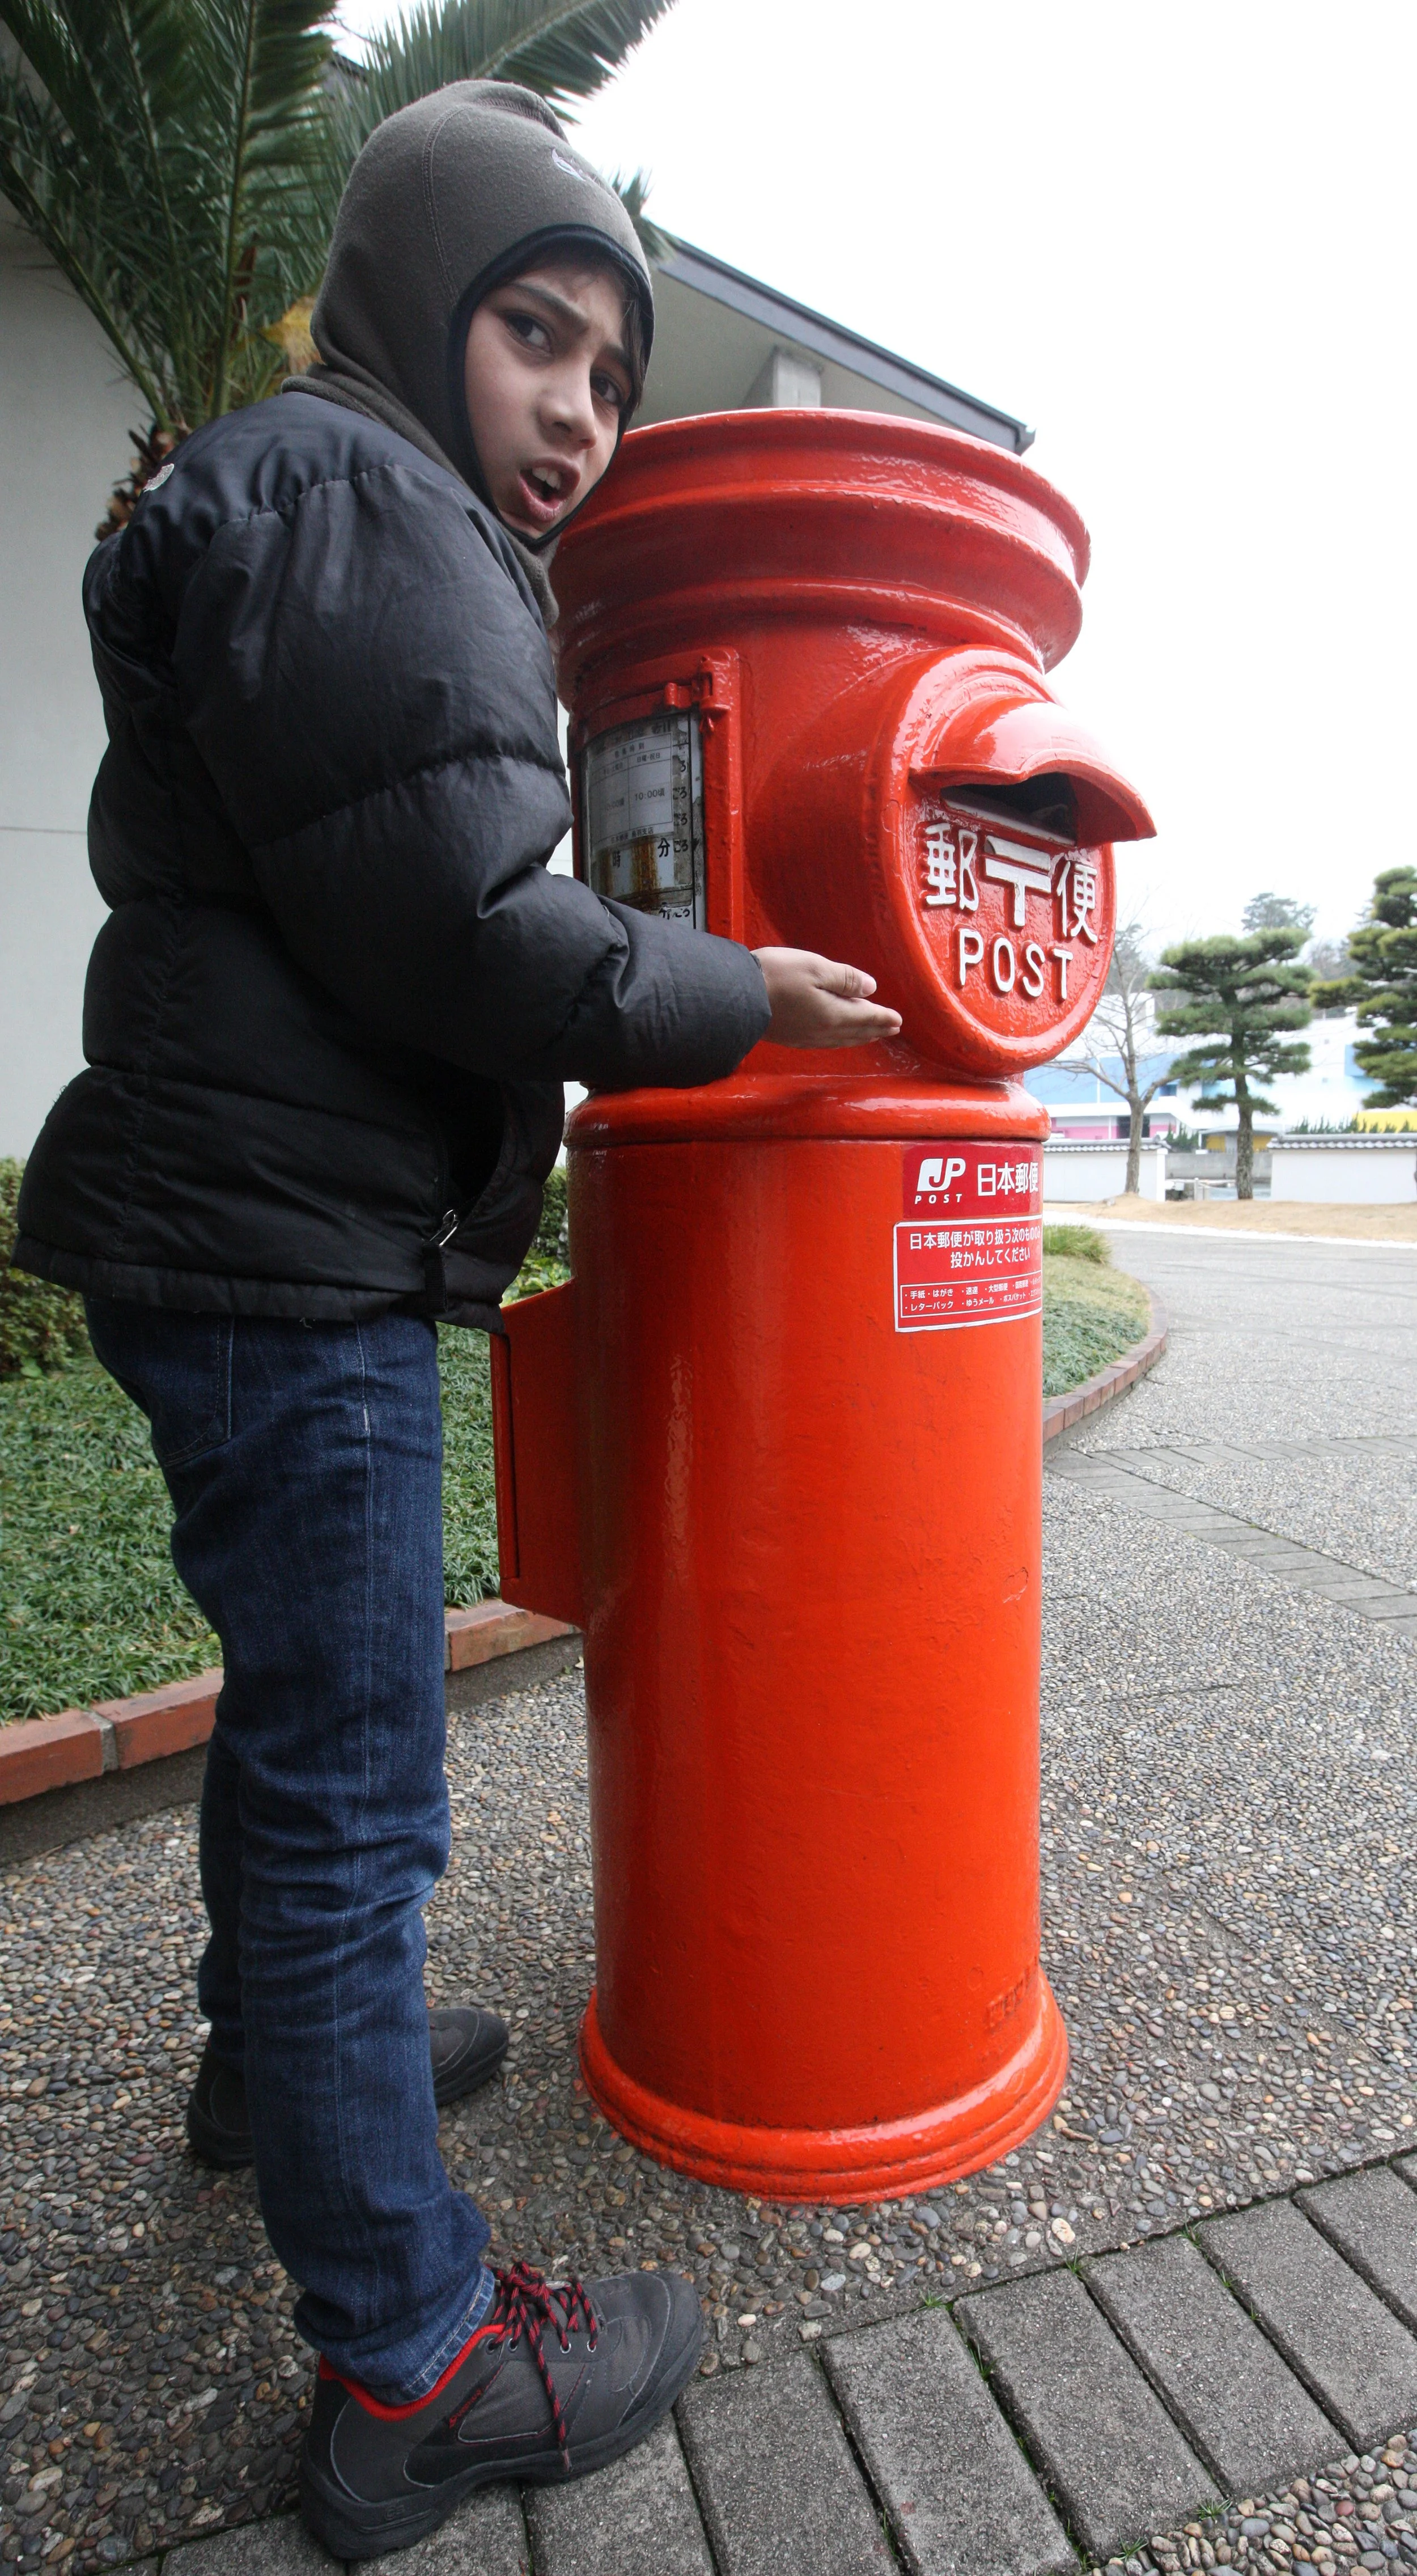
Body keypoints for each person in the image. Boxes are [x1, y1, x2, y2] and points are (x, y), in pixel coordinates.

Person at [12, 79, 901, 2558]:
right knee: (354, 1800)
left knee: (309, 1750)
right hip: (287, 1258)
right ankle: (415, 2353)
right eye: (537, 335)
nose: (580, 414)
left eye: (613, 377)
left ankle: (270, 2071)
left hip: (253, 1231)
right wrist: (747, 987)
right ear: (419, 308)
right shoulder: (361, 493)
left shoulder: (324, 491)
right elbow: (463, 923)